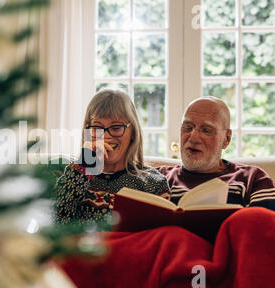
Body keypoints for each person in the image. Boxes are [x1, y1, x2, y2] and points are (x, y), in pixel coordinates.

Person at [55, 89, 170, 224]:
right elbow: (56, 225)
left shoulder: (153, 183)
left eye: (116, 128)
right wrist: (83, 167)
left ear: (133, 132)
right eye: (97, 127)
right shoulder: (71, 175)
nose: (106, 136)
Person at [157, 96, 275, 210]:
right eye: (187, 127)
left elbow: (265, 226)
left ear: (226, 139)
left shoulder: (252, 179)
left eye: (206, 130)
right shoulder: (156, 178)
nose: (193, 138)